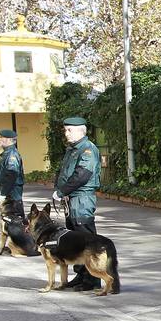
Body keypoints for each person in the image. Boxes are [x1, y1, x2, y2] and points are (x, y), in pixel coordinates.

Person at [54, 117, 103, 291]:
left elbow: (82, 174)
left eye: (69, 130)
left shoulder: (87, 149)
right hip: (72, 199)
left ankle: (93, 279)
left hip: (82, 199)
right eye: (65, 130)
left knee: (86, 240)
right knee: (75, 241)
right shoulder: (73, 149)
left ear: (81, 131)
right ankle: (82, 274)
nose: (66, 133)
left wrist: (61, 191)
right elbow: (65, 173)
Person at [0, 128, 25, 221]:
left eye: (1, 137)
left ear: (9, 140)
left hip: (12, 194)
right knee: (8, 222)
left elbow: (12, 175)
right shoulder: (7, 153)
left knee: (15, 222)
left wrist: (3, 193)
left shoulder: (11, 155)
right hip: (8, 193)